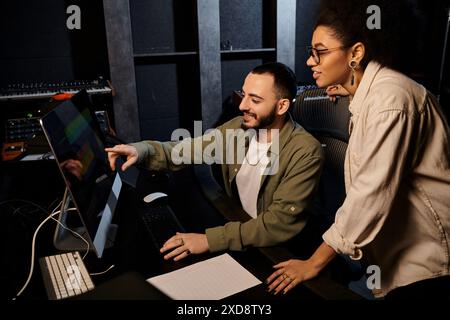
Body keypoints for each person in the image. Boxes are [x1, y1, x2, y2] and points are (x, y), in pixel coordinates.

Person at [267, 0, 450, 299]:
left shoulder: (390, 100)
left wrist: (314, 263)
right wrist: (352, 87)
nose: (310, 62)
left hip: (428, 266)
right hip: (394, 263)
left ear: (356, 53)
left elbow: (370, 194)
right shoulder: (375, 90)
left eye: (320, 52)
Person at [105, 62, 324, 262]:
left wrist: (208, 240)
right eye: (243, 94)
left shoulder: (305, 151)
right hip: (242, 231)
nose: (242, 105)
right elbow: (185, 150)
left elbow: (277, 225)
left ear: (282, 106)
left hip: (280, 251)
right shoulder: (239, 127)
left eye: (255, 100)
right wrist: (139, 150)